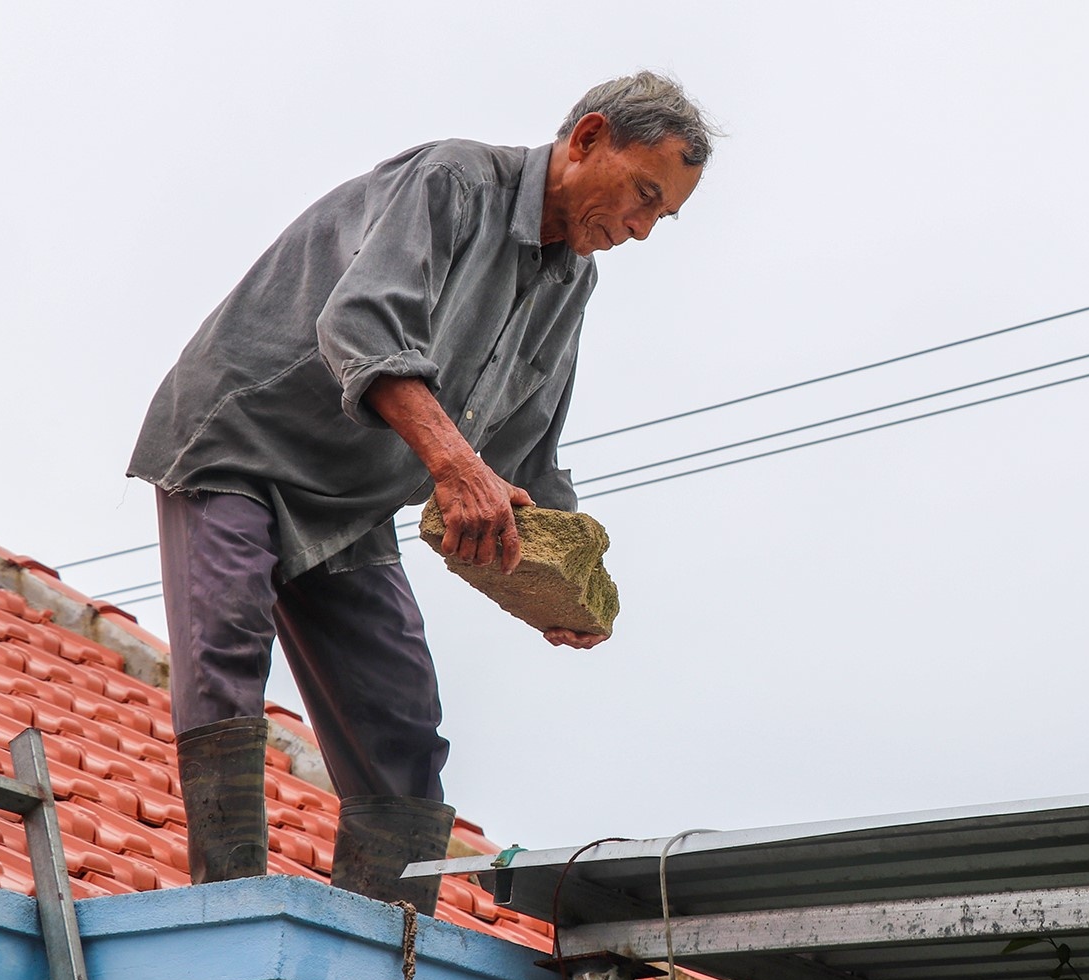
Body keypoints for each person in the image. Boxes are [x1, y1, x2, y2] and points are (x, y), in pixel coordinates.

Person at [128, 72, 715, 914]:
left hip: (350, 498)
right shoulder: (454, 182)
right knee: (227, 649)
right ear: (588, 139)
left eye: (663, 216)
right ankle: (227, 912)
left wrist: (564, 583)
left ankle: (383, 948)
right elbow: (361, 329)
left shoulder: (571, 284)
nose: (642, 228)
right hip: (241, 442)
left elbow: (526, 454)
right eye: (644, 196)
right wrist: (455, 464)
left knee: (401, 717)